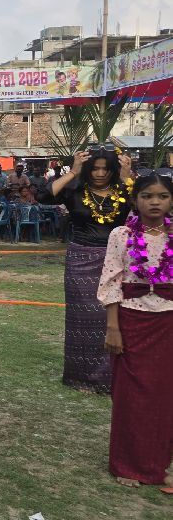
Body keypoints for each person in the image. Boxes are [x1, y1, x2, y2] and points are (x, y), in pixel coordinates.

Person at [97, 169, 173, 489]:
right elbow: (111, 283)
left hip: (168, 324)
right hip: (131, 320)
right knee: (130, 396)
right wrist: (113, 328)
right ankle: (128, 464)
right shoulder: (121, 236)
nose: (155, 202)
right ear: (135, 200)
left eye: (163, 196)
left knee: (164, 395)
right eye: (147, 196)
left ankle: (161, 462)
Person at [39, 147, 132, 393]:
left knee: (112, 316)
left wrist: (127, 177)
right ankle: (80, 377)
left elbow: (150, 205)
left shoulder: (125, 190)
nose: (100, 173)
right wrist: (74, 172)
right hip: (80, 259)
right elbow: (44, 195)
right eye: (95, 168)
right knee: (82, 317)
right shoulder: (76, 190)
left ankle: (112, 376)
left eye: (106, 168)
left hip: (116, 259)